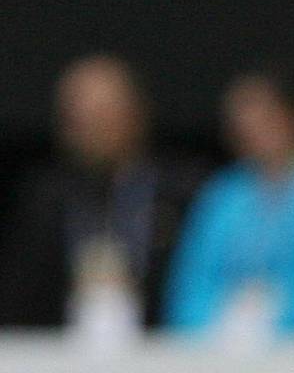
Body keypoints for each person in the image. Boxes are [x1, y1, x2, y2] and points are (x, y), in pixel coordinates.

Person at [0, 55, 205, 339]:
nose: (90, 129)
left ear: (135, 114)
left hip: (161, 349)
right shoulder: (47, 197)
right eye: (77, 118)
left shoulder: (183, 191)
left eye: (102, 115)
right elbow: (20, 293)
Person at [162, 71, 294, 342]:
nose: (255, 132)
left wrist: (276, 324)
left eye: (267, 120)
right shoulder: (224, 194)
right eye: (243, 125)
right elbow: (192, 279)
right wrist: (212, 327)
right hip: (221, 343)